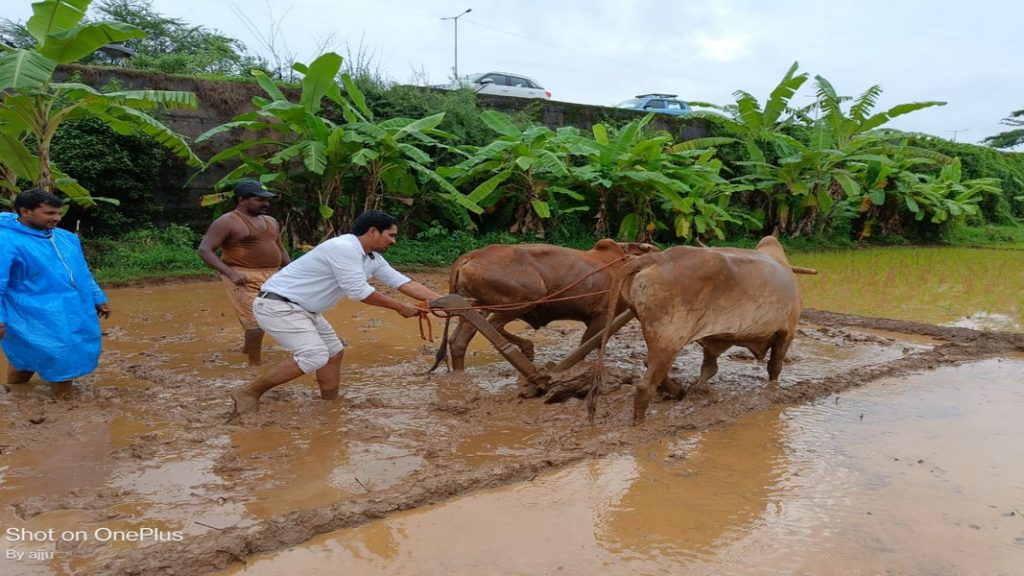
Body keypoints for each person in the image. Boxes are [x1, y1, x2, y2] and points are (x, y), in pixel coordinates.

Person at [228, 210, 441, 417]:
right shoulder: (344, 248)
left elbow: (402, 282)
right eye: (391, 235)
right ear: (373, 231)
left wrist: (442, 301)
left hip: (302, 309)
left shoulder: (371, 258)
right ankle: (248, 392)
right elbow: (359, 292)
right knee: (314, 356)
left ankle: (329, 403)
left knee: (333, 352)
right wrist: (400, 307)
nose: (394, 241)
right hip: (278, 305)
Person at [0, 188, 111, 398]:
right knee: (61, 355)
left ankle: (17, 396)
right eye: (49, 213)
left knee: (28, 356)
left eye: (58, 213)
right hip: (31, 312)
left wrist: (98, 296)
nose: (57, 218)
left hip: (72, 308)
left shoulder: (66, 238)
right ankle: (65, 409)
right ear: (25, 211)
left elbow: (82, 271)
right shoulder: (5, 240)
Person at [198, 180, 290, 365]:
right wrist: (231, 274)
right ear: (242, 200)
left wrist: (291, 270)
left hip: (272, 276)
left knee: (281, 315)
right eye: (259, 200)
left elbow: (280, 249)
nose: (266, 204)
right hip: (242, 277)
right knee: (255, 324)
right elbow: (204, 250)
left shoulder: (270, 221)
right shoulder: (227, 221)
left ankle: (248, 348)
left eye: (267, 200)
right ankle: (254, 365)